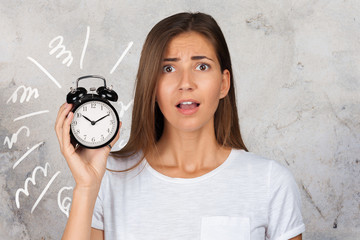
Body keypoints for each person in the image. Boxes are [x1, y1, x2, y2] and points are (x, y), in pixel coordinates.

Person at [55, 12, 305, 240]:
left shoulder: (270, 182)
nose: (186, 83)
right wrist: (86, 188)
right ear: (151, 86)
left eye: (202, 66)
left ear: (223, 84)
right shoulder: (108, 178)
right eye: (169, 68)